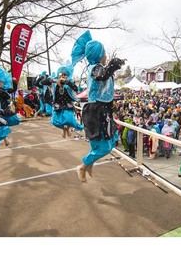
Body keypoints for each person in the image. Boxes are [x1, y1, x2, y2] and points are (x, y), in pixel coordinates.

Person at [71, 30, 125, 182]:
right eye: (104, 53)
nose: (106, 56)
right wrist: (115, 64)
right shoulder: (96, 69)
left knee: (111, 137)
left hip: (101, 111)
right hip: (96, 112)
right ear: (99, 55)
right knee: (105, 147)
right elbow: (103, 75)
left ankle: (89, 164)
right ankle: (83, 165)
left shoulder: (97, 68)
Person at [40, 61, 83, 138]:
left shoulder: (69, 83)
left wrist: (67, 82)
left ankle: (68, 128)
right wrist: (53, 80)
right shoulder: (54, 83)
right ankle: (64, 129)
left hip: (67, 104)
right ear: (58, 75)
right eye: (61, 74)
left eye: (65, 75)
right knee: (55, 122)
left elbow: (76, 88)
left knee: (69, 119)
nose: (63, 76)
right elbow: (42, 82)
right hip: (58, 105)